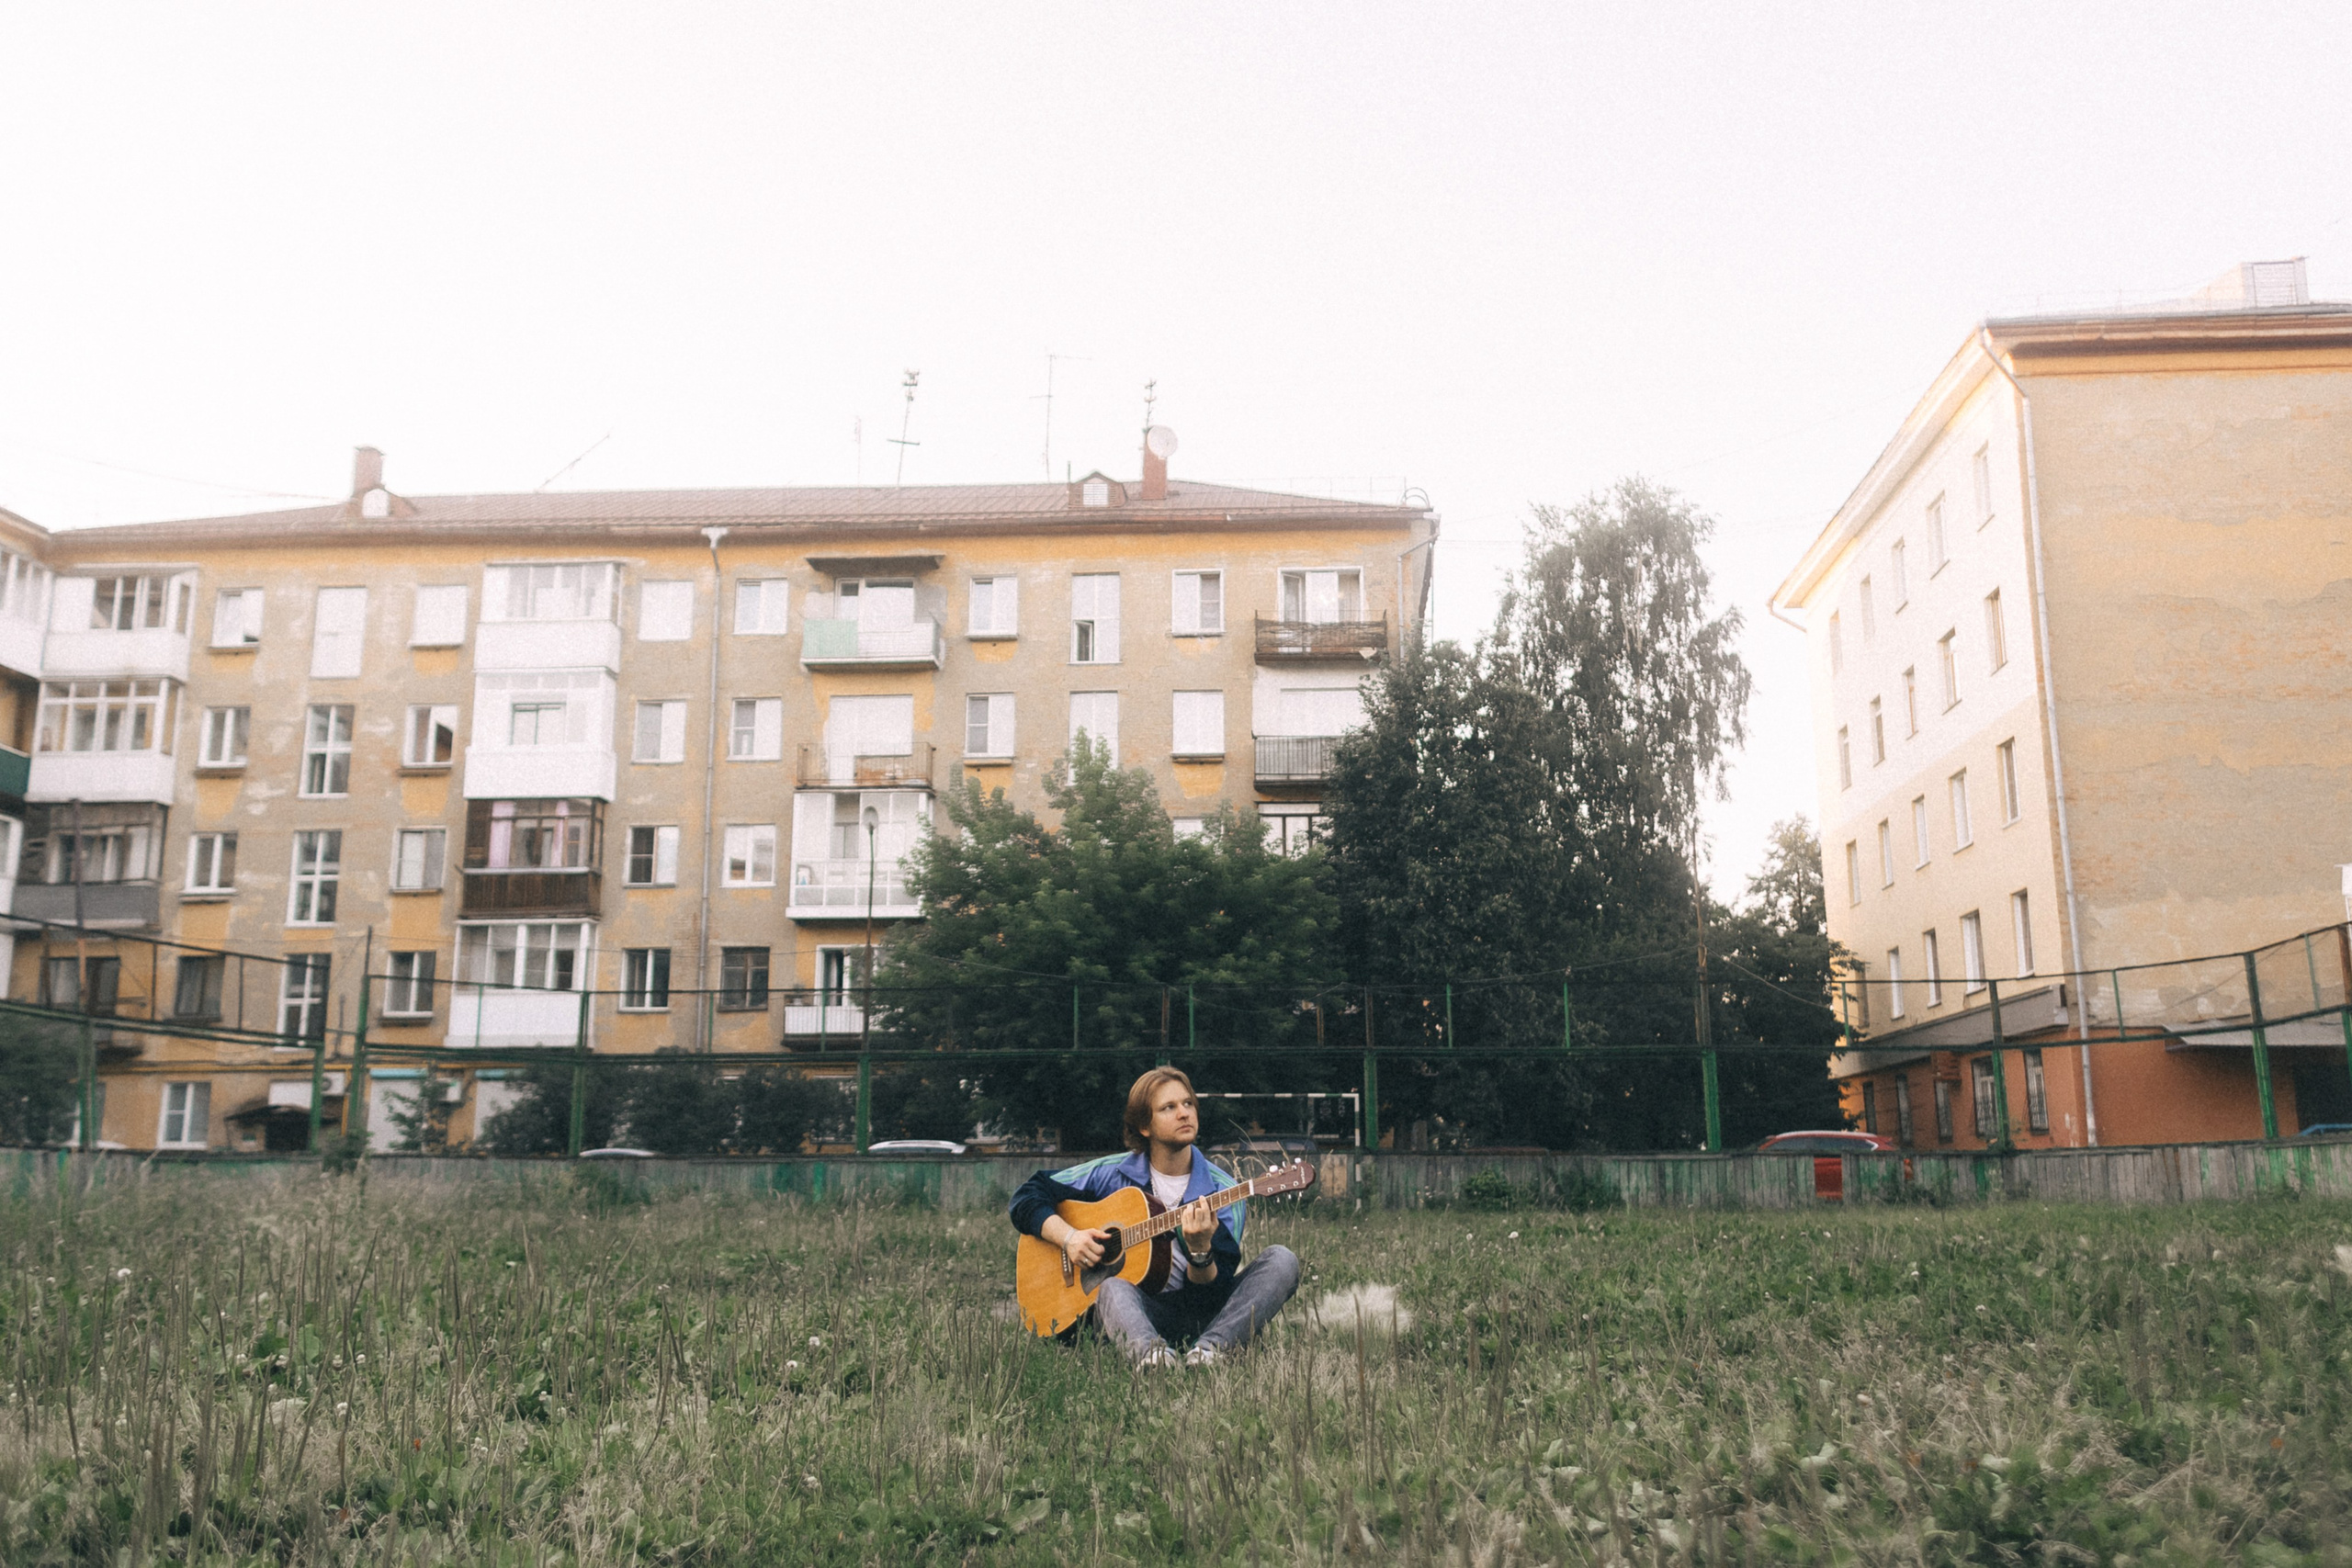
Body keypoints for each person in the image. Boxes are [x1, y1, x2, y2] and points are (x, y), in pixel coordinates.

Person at [1009, 1066, 1301, 1369]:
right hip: (1133, 1314)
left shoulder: (1223, 1192)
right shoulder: (1112, 1173)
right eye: (1168, 1108)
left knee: (1282, 1260)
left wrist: (1200, 1252)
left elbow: (1211, 1299)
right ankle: (1152, 1357)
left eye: (1188, 1103)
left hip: (1201, 1317)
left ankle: (1209, 1352)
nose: (1184, 1113)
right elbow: (1027, 1195)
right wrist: (1070, 1239)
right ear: (1144, 1126)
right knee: (1112, 1287)